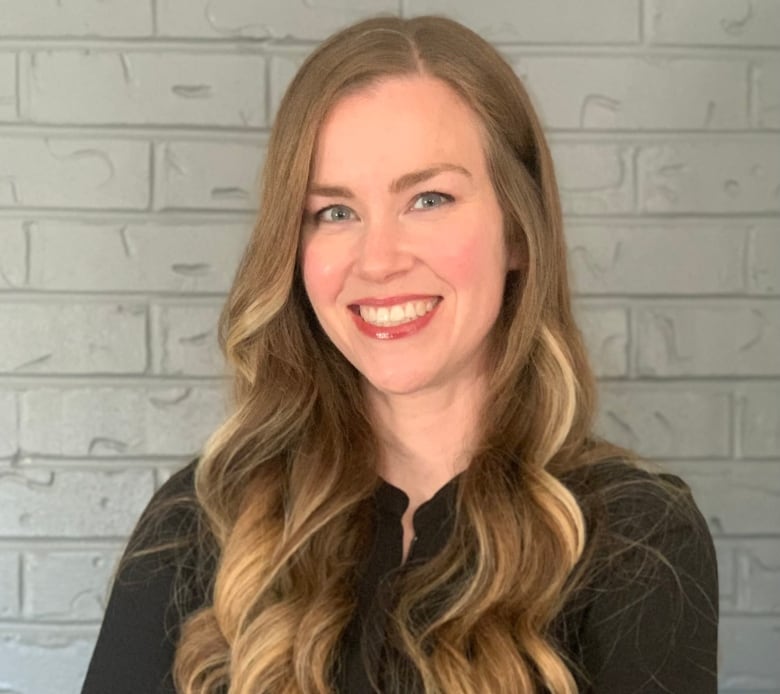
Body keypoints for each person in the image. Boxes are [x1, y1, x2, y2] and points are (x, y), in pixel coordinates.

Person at [81, 14, 718, 694]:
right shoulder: (200, 520)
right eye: (334, 212)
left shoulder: (636, 534)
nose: (378, 261)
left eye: (429, 198)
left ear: (519, 233)